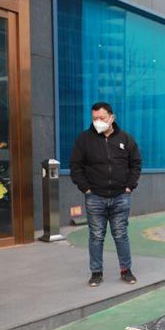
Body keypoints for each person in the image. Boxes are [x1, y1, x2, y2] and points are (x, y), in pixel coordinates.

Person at [70, 102, 142, 287]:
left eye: (101, 118)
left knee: (121, 234)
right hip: (95, 196)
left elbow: (135, 164)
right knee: (96, 236)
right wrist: (86, 188)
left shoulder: (126, 139)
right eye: (94, 118)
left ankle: (126, 270)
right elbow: (75, 166)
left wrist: (129, 187)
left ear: (111, 118)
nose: (98, 122)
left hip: (121, 196)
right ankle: (96, 273)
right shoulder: (84, 139)